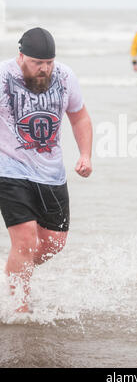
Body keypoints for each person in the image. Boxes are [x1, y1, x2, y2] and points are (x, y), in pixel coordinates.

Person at [0, 27, 93, 312]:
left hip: (51, 173)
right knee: (25, 239)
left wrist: (85, 155)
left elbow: (79, 118)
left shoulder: (65, 77)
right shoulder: (3, 76)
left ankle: (15, 272)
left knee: (54, 244)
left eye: (49, 63)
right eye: (37, 63)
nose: (44, 69)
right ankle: (18, 308)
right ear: (21, 56)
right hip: (9, 168)